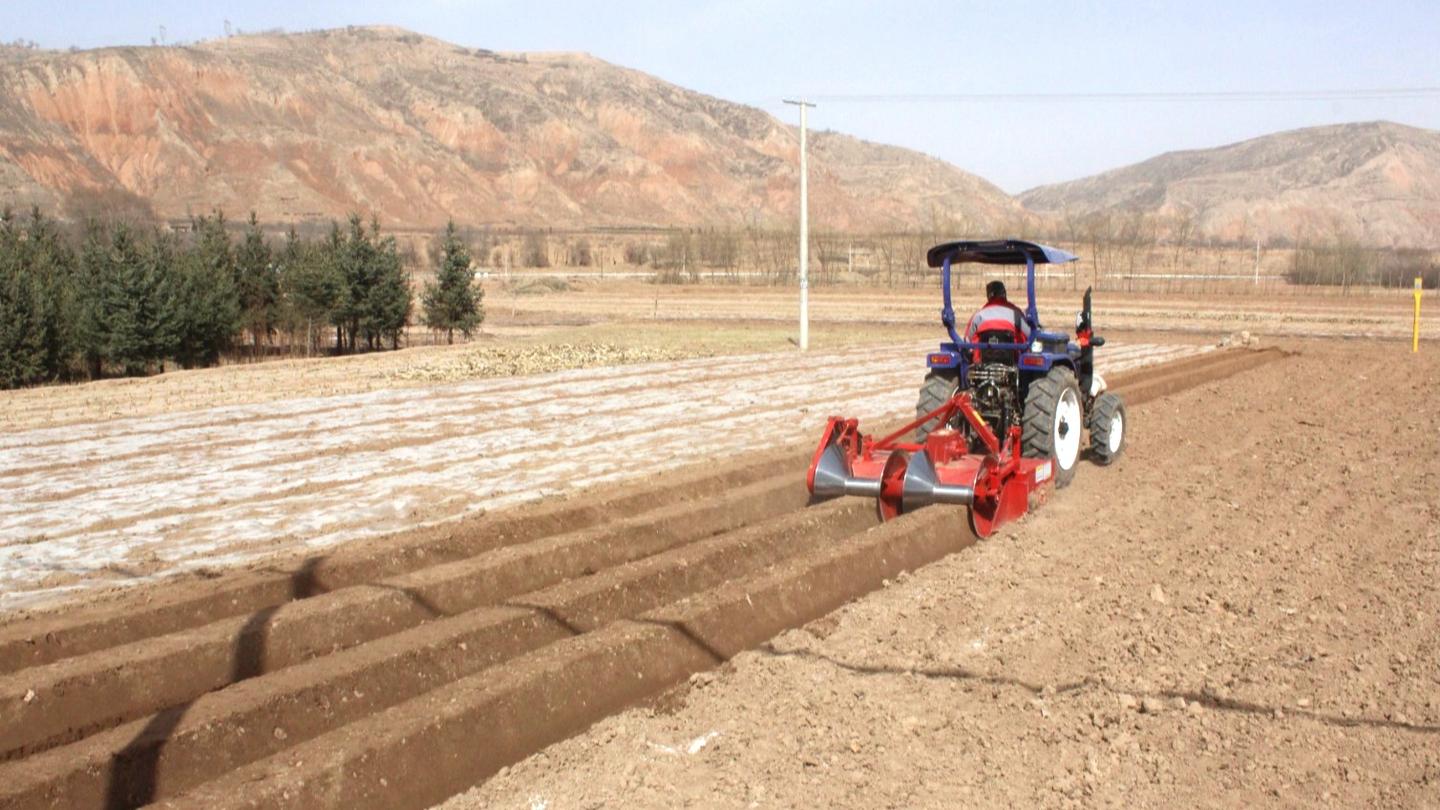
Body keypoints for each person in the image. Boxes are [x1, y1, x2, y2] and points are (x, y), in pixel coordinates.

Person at [965, 280, 1033, 342]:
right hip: (1012, 354)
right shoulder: (1016, 313)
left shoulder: (979, 316)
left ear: (989, 296)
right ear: (1004, 294)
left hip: (983, 354)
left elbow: (967, 340)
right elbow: (1029, 335)